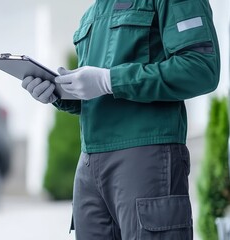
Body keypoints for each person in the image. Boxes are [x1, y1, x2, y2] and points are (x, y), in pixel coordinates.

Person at [22, 0, 220, 239]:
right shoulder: (94, 11)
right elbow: (97, 92)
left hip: (146, 156)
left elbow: (199, 69)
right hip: (89, 166)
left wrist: (109, 80)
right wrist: (57, 94)